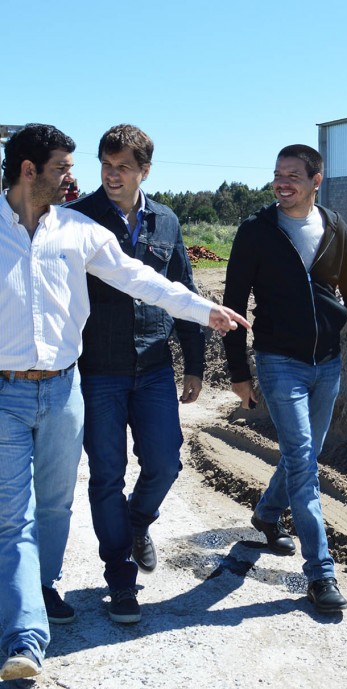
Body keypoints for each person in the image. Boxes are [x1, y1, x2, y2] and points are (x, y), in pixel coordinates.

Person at [0, 124, 249, 682]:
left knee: (58, 503)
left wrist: (200, 311)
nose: (76, 176)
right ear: (28, 170)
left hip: (65, 388)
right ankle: (26, 635)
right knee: (14, 516)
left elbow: (142, 278)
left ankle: (43, 584)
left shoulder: (77, 229)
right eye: (65, 166)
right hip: (13, 390)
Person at [223, 144, 347, 614]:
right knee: (303, 462)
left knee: (305, 455)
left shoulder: (334, 227)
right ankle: (321, 574)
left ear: (317, 180)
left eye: (293, 175)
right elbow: (232, 304)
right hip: (279, 361)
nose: (282, 182)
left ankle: (267, 512)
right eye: (277, 174)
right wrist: (238, 372)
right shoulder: (256, 232)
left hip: (328, 362)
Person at [65, 124, 202, 625]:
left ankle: (136, 522)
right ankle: (120, 576)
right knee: (106, 475)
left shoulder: (165, 220)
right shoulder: (77, 220)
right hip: (98, 370)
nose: (111, 174)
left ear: (145, 170)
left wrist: (196, 363)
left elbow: (182, 287)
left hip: (154, 368)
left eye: (123, 166)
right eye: (106, 164)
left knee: (166, 462)